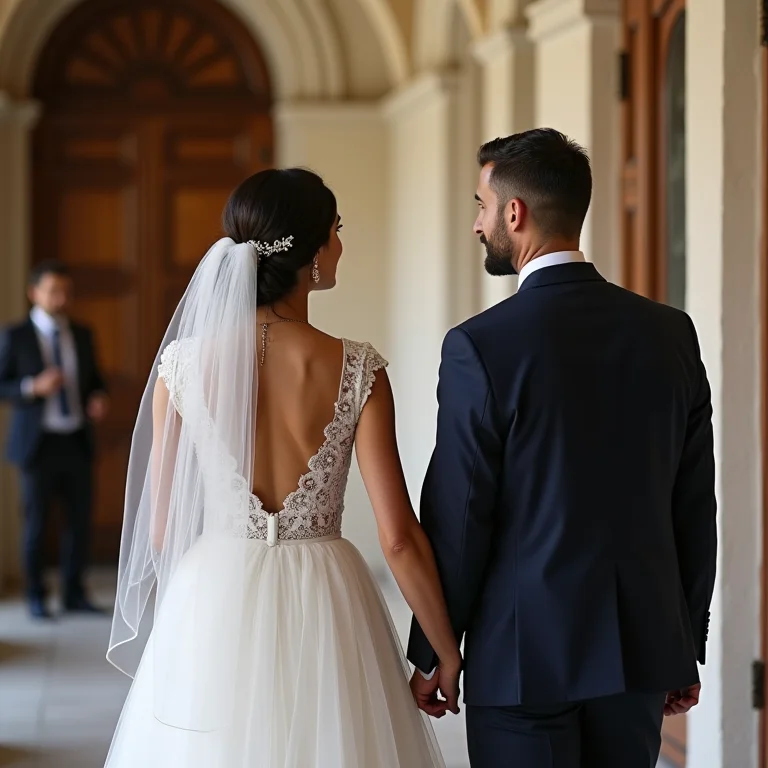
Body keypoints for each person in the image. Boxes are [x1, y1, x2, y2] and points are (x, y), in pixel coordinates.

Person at [104, 168, 461, 767]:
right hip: (326, 593)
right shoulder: (358, 369)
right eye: (337, 230)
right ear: (313, 251)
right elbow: (398, 539)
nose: (341, 244)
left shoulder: (182, 366)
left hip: (215, 585)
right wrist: (443, 651)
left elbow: (160, 530)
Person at [407, 128, 717, 768]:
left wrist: (436, 648)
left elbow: (461, 516)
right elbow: (693, 502)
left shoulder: (479, 346)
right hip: (639, 652)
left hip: (523, 657)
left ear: (513, 214)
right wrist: (682, 638)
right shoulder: (670, 333)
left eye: (481, 206)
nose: (477, 224)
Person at [0, 261, 109, 619]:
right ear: (34, 293)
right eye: (53, 291)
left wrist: (97, 398)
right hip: (38, 444)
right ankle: (35, 596)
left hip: (76, 440)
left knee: (79, 523)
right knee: (35, 524)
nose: (61, 298)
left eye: (66, 291)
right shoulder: (14, 335)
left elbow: (96, 380)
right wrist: (32, 387)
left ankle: (74, 593)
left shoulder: (82, 333)